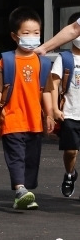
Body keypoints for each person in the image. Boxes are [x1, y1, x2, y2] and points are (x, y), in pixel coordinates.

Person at [0, 6, 55, 210]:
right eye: (26, 33)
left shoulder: (43, 63)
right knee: (16, 157)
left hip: (34, 121)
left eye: (36, 33)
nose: (32, 37)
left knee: (31, 159)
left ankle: (24, 192)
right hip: (12, 118)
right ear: (14, 36)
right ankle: (20, 189)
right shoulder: (6, 61)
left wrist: (49, 115)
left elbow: (46, 91)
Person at [47, 12, 80, 199]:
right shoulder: (65, 58)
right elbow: (54, 84)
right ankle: (70, 173)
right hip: (70, 113)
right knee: (71, 151)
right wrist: (54, 108)